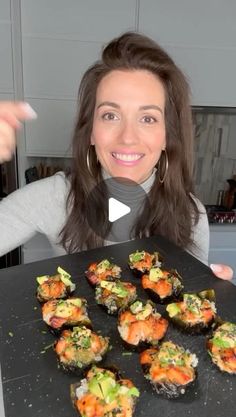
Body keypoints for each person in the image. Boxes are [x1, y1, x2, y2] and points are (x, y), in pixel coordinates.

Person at [0, 32, 233, 280]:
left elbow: (189, 298)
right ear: (90, 131)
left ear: (167, 136)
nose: (127, 137)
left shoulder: (188, 212)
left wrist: (210, 307)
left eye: (148, 118)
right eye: (110, 115)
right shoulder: (55, 196)